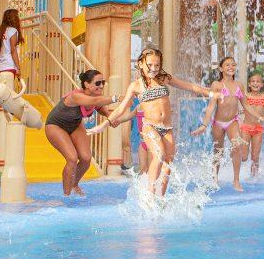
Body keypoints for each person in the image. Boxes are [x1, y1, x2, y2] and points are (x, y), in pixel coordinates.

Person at [95, 48, 218, 197]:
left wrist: (211, 93)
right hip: (150, 126)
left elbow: (189, 86)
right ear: (140, 64)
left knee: (168, 163)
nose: (153, 69)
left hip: (167, 128)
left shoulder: (164, 78)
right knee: (159, 154)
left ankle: (160, 197)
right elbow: (121, 108)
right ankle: (150, 195)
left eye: (157, 65)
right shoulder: (136, 86)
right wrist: (105, 123)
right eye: (149, 65)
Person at [45, 69, 116, 197]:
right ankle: (66, 196)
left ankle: (74, 184)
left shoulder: (94, 97)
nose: (101, 86)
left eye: (103, 83)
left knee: (86, 158)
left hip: (75, 124)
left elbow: (98, 106)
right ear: (86, 84)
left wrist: (108, 115)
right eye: (97, 83)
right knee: (72, 158)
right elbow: (94, 102)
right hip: (55, 125)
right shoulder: (75, 96)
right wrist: (118, 98)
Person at [190, 57, 250, 192]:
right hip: (218, 123)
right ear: (221, 68)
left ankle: (236, 180)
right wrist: (204, 125)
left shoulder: (239, 85)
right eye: (227, 65)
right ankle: (214, 178)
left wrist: (259, 116)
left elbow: (246, 104)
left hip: (232, 121)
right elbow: (211, 107)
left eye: (233, 64)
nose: (231, 67)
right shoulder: (217, 84)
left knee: (237, 146)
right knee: (218, 152)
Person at [0, 9, 23, 83]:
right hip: (9, 65)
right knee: (8, 92)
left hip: (0, 67)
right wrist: (18, 68)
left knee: (3, 92)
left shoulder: (1, 31)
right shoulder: (13, 31)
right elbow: (13, 51)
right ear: (15, 18)